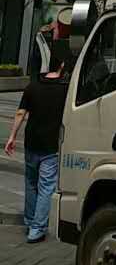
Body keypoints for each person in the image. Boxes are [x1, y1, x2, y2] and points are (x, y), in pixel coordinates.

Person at [3, 49, 68, 243]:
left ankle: (30, 221)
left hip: (32, 142)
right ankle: (37, 228)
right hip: (51, 145)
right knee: (46, 186)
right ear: (61, 67)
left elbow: (20, 113)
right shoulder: (65, 90)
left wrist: (12, 137)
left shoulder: (32, 86)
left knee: (31, 182)